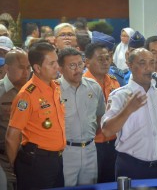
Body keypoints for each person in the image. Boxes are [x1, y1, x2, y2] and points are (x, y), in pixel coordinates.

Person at [101, 48, 157, 179]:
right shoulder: (119, 96)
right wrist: (127, 110)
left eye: (152, 63)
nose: (149, 68)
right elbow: (107, 131)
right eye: (142, 63)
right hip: (132, 167)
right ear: (130, 65)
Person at [5, 42, 66, 189]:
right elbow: (11, 136)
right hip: (36, 162)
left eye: (56, 61)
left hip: (56, 159)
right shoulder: (27, 95)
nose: (56, 66)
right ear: (37, 68)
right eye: (51, 63)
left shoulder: (55, 87)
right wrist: (15, 165)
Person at [57, 47, 106, 186]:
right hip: (66, 151)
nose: (78, 69)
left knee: (90, 187)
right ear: (60, 68)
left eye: (80, 64)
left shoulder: (94, 87)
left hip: (90, 148)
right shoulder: (55, 89)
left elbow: (99, 116)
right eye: (72, 65)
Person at [83, 43, 120, 183]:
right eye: (100, 59)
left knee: (112, 182)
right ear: (87, 62)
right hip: (92, 144)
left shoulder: (114, 82)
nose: (105, 62)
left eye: (107, 58)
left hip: (114, 142)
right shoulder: (81, 84)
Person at [0, 48, 31, 190]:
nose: (26, 72)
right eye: (21, 68)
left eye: (28, 67)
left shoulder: (33, 91)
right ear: (6, 68)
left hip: (31, 158)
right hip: (3, 161)